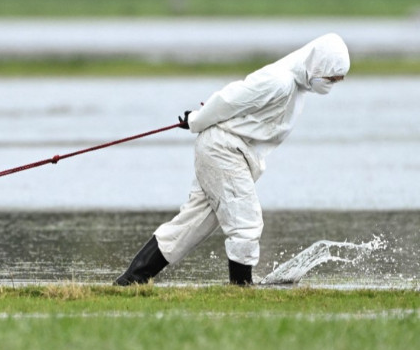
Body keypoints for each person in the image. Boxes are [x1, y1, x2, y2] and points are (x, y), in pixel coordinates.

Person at [114, 33, 351, 286]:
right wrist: (196, 119)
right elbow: (229, 100)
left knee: (191, 225)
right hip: (223, 150)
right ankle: (241, 289)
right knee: (246, 222)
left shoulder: (296, 88)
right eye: (331, 78)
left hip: (228, 152)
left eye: (337, 80)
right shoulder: (279, 81)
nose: (332, 84)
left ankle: (130, 280)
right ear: (317, 65)